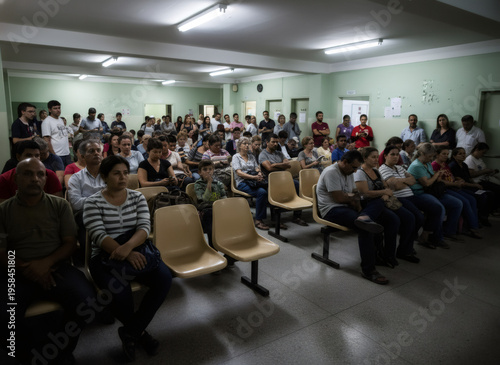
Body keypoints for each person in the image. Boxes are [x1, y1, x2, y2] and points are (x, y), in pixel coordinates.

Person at [0, 158, 96, 365]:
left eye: (40, 174)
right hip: (15, 271)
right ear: (16, 178)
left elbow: (70, 244)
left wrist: (45, 264)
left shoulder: (60, 205)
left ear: (45, 179)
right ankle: (27, 354)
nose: (35, 179)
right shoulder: (3, 210)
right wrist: (28, 268)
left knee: (88, 303)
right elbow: (1, 251)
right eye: (28, 174)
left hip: (57, 266)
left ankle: (61, 349)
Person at [84, 155, 172, 361]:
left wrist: (130, 249)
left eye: (125, 173)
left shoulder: (137, 197)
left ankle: (130, 332)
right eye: (116, 173)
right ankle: (139, 333)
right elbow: (98, 234)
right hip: (105, 257)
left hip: (138, 250)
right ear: (104, 177)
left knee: (164, 279)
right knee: (120, 294)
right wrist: (124, 252)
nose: (123, 177)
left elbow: (143, 227)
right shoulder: (92, 202)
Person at [317, 150, 393, 284]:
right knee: (366, 228)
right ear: (344, 162)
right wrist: (352, 200)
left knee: (378, 201)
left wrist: (358, 208)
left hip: (346, 206)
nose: (355, 171)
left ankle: (365, 218)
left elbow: (354, 195)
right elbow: (340, 198)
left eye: (357, 168)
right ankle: (368, 270)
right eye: (353, 167)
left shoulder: (349, 172)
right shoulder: (331, 172)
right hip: (331, 210)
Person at [354, 147, 415, 267]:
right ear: (364, 158)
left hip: (383, 201)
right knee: (393, 220)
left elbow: (386, 186)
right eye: (373, 157)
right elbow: (364, 194)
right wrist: (383, 193)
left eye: (377, 156)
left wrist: (385, 194)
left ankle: (392, 254)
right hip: (370, 204)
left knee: (407, 218)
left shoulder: (376, 171)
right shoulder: (360, 173)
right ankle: (384, 254)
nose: (376, 159)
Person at [379, 145, 443, 254]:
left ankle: (422, 236)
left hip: (411, 196)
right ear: (385, 156)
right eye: (392, 154)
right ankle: (405, 247)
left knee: (436, 208)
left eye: (397, 154)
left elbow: (412, 180)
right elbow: (396, 187)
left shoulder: (400, 167)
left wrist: (400, 181)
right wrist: (405, 181)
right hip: (400, 197)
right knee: (417, 217)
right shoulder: (383, 169)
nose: (395, 157)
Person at [407, 143, 463, 247]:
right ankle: (433, 237)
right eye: (429, 156)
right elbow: (427, 183)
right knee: (439, 208)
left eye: (432, 156)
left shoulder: (427, 163)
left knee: (457, 203)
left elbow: (433, 179)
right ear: (422, 154)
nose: (431, 159)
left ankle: (449, 231)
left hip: (431, 191)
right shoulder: (416, 166)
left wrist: (438, 174)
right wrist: (437, 174)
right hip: (419, 193)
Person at [432, 146, 481, 238]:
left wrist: (457, 181)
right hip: (445, 189)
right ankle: (470, 228)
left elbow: (450, 177)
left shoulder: (445, 164)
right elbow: (439, 181)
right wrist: (454, 184)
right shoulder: (435, 165)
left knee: (472, 199)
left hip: (453, 186)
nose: (446, 156)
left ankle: (471, 225)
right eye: (443, 154)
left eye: (447, 154)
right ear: (437, 155)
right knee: (463, 202)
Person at [259, 134, 307, 226]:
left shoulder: (279, 153)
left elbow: (288, 165)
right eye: (273, 142)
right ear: (267, 143)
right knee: (274, 189)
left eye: (277, 142)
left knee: (297, 184)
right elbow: (268, 168)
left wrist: (274, 165)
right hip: (271, 180)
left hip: (283, 179)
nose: (275, 144)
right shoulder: (263, 154)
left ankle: (297, 216)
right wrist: (280, 165)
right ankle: (275, 219)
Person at [449, 147, 498, 225]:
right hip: (462, 188)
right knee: (483, 196)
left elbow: (468, 178)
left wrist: (475, 184)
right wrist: (474, 185)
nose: (463, 155)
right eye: (460, 154)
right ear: (454, 156)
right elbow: (461, 182)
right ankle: (479, 217)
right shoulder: (453, 166)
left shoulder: (464, 165)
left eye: (464, 153)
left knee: (490, 194)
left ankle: (484, 216)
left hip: (470, 185)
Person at [232, 137, 270, 230]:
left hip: (253, 181)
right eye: (244, 144)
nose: (247, 145)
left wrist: (259, 173)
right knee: (262, 192)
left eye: (248, 143)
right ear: (239, 146)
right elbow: (239, 173)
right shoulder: (236, 157)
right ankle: (258, 220)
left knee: (268, 189)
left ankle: (276, 217)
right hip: (242, 182)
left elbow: (257, 168)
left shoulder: (251, 156)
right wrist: (254, 177)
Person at [195, 159, 227, 246]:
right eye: (205, 169)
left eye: (210, 169)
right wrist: (209, 183)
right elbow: (205, 199)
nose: (208, 172)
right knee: (210, 213)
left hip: (218, 208)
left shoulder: (218, 184)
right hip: (206, 210)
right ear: (200, 172)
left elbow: (224, 198)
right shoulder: (198, 184)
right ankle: (213, 246)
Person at [41, 100, 72, 167]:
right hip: (57, 154)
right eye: (55, 108)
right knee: (59, 176)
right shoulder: (47, 122)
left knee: (69, 175)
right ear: (49, 110)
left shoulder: (60, 120)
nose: (58, 110)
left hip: (66, 153)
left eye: (59, 108)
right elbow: (46, 141)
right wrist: (54, 155)